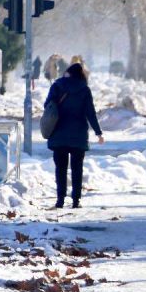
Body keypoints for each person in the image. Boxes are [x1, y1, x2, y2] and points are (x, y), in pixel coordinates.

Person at [45, 63, 104, 209]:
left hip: (58, 133)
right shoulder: (84, 89)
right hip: (78, 135)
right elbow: (90, 113)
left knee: (60, 169)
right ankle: (76, 200)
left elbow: (47, 105)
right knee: (77, 169)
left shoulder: (57, 86)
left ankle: (60, 200)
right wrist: (98, 132)